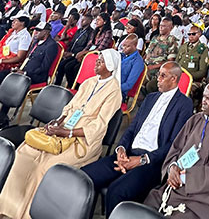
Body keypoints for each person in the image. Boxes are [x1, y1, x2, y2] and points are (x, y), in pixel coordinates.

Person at [0, 49, 122, 218]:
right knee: (24, 153)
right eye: (97, 60)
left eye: (100, 62)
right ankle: (9, 206)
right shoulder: (89, 82)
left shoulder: (114, 91)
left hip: (83, 141)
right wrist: (58, 121)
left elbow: (99, 126)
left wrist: (67, 132)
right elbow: (71, 107)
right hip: (63, 129)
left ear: (110, 66)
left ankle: (28, 213)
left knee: (44, 167)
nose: (96, 63)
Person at [81, 62, 193, 216]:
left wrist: (141, 160)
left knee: (116, 192)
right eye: (158, 74)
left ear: (174, 79)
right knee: (85, 176)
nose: (157, 79)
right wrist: (120, 149)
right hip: (127, 154)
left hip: (150, 163)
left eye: (162, 76)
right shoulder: (151, 98)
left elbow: (173, 144)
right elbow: (132, 129)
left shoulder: (184, 104)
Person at [144, 81, 209, 219]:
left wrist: (183, 177)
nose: (204, 102)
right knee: (144, 210)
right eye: (204, 97)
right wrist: (172, 168)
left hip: (201, 197)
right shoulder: (195, 119)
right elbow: (175, 148)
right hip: (173, 187)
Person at [64, 12, 113, 88]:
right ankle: (71, 86)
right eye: (96, 20)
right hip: (87, 54)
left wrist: (85, 53)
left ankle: (78, 88)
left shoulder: (108, 33)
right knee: (68, 66)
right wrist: (82, 53)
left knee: (76, 68)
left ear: (105, 22)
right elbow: (89, 44)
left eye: (99, 20)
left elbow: (100, 49)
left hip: (96, 57)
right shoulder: (95, 31)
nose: (96, 22)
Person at [54, 14, 93, 86]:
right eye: (82, 19)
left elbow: (86, 47)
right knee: (61, 65)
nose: (82, 21)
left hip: (78, 55)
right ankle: (57, 84)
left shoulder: (90, 33)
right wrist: (67, 52)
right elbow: (72, 43)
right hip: (71, 53)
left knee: (68, 67)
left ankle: (71, 86)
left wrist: (73, 54)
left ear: (90, 21)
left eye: (84, 20)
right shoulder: (79, 31)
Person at [176, 25, 209, 107]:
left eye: (193, 34)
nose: (190, 36)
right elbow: (176, 63)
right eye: (189, 34)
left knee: (186, 94)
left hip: (192, 80)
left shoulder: (202, 49)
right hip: (178, 76)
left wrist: (187, 76)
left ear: (199, 35)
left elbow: (202, 72)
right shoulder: (184, 46)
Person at [144, 17, 178, 93]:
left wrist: (153, 67)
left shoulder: (172, 41)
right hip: (146, 67)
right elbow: (146, 54)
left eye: (164, 26)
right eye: (160, 25)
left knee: (148, 85)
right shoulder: (155, 38)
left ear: (170, 28)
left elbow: (170, 62)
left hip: (157, 71)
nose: (161, 27)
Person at [120, 34, 145, 99]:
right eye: (124, 45)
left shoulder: (138, 62)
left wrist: (113, 89)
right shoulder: (120, 55)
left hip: (119, 93)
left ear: (135, 45)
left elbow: (128, 85)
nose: (124, 48)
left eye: (128, 46)